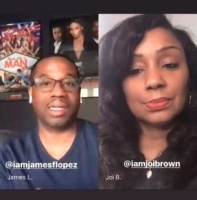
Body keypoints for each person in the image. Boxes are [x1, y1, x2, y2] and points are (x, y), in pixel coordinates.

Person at [99, 14, 197, 189]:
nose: (154, 81)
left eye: (169, 64)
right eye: (135, 70)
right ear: (118, 87)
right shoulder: (97, 156)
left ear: (190, 75)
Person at [0, 54, 98, 189]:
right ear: (31, 94)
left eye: (69, 83)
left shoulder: (112, 144)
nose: (58, 92)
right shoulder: (8, 155)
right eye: (45, 83)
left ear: (79, 93)